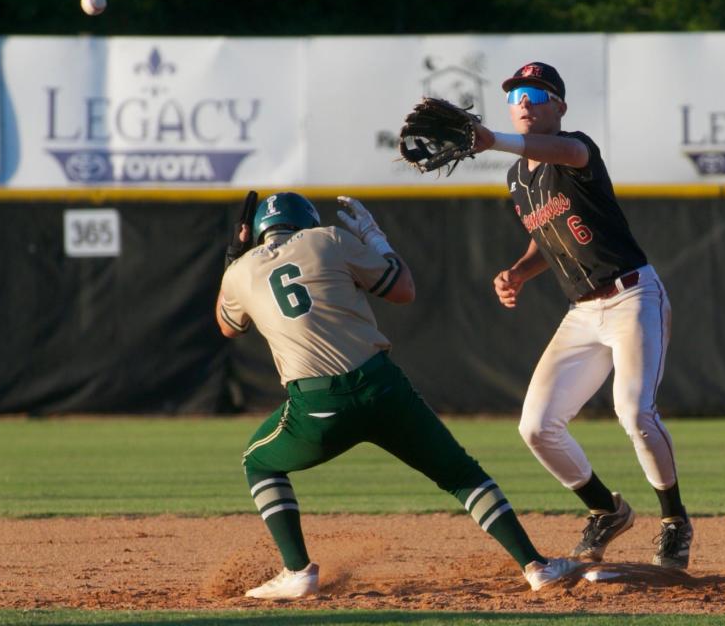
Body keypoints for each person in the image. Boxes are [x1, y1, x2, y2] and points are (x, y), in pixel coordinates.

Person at [215, 191, 578, 598]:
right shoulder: (328, 239)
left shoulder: (240, 272)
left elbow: (229, 326)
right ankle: (535, 565)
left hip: (318, 406)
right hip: (381, 388)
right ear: (306, 221)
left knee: (258, 462)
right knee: (461, 475)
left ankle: (298, 570)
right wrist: (375, 238)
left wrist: (235, 255)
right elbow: (403, 289)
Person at [470, 62, 694, 569]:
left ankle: (675, 520)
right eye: (515, 94)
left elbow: (560, 152)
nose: (523, 101)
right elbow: (545, 234)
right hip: (582, 312)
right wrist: (519, 273)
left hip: (633, 296)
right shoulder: (516, 179)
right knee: (536, 426)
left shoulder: (577, 148)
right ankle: (605, 509)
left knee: (635, 413)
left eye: (535, 92)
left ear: (559, 106)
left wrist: (492, 138)